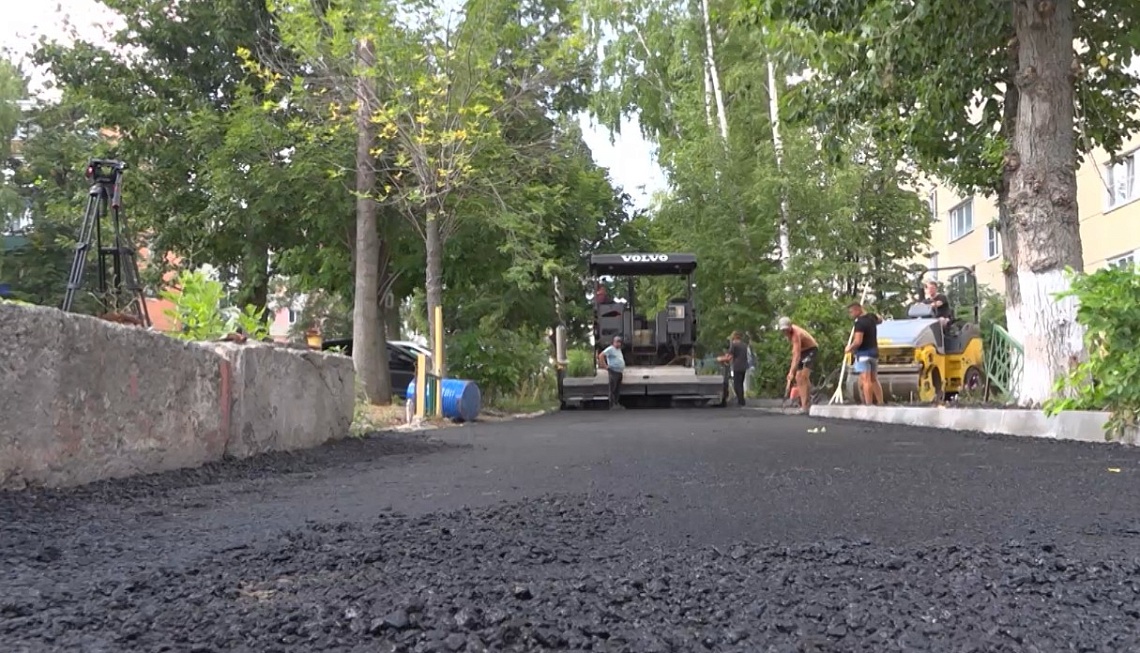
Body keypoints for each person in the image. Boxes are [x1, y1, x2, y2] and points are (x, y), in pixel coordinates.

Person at [777, 317, 819, 413]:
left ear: (790, 327)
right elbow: (795, 352)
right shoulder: (788, 334)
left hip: (811, 350)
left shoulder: (796, 334)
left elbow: (796, 355)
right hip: (802, 352)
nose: (785, 332)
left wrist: (791, 372)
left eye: (786, 329)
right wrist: (792, 372)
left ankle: (805, 406)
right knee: (798, 378)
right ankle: (807, 398)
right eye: (783, 330)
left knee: (802, 376)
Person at [846, 302, 884, 405]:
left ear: (857, 310)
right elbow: (880, 320)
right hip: (874, 353)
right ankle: (881, 402)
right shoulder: (871, 318)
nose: (850, 315)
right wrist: (872, 314)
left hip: (863, 354)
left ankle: (868, 404)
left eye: (851, 312)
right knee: (874, 379)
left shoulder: (859, 323)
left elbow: (858, 341)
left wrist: (849, 348)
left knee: (866, 380)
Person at [716, 331, 750, 406]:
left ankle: (741, 402)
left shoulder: (734, 345)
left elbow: (729, 357)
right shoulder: (744, 345)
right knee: (740, 384)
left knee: (737, 385)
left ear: (734, 337)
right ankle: (741, 401)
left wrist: (720, 359)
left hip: (737, 366)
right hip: (744, 366)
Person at [597, 335, 625, 409]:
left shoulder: (618, 350)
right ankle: (612, 405)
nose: (618, 343)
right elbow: (601, 355)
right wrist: (605, 366)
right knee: (613, 388)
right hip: (613, 371)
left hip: (619, 372)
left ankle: (616, 403)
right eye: (617, 342)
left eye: (619, 342)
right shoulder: (610, 349)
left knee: (617, 389)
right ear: (613, 342)